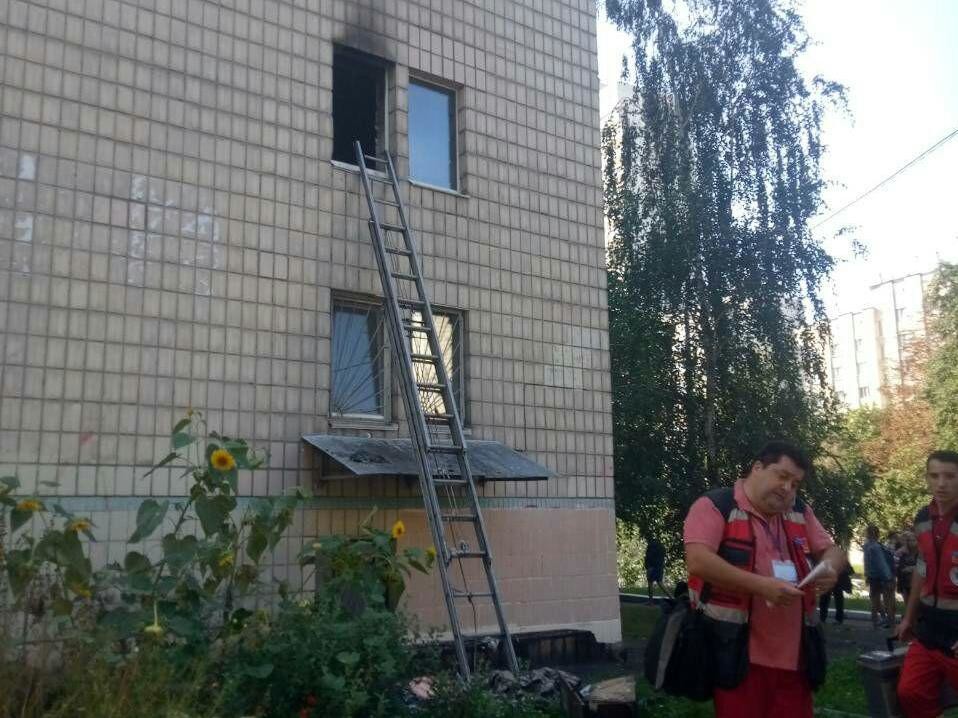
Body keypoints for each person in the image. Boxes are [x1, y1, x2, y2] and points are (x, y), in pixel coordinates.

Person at [684, 440, 847, 718]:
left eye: (795, 484)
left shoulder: (799, 511)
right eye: (782, 476)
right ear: (757, 468)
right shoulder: (715, 505)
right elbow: (698, 560)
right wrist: (761, 586)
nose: (787, 488)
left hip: (796, 659)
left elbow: (833, 551)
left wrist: (830, 568)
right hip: (737, 655)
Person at [897, 450, 958, 718]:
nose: (941, 483)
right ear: (927, 478)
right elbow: (922, 570)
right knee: (910, 692)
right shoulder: (922, 518)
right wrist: (908, 618)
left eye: (950, 476)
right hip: (929, 629)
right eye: (934, 476)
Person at [864, 524, 895, 628]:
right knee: (886, 600)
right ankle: (888, 621)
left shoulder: (867, 546)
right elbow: (882, 564)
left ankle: (877, 621)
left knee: (874, 600)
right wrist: (888, 577)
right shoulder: (877, 547)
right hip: (881, 577)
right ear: (878, 534)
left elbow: (866, 563)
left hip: (872, 576)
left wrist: (867, 575)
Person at [897, 530, 919, 605]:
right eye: (909, 540)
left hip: (916, 582)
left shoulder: (921, 553)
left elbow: (923, 566)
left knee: (916, 604)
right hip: (904, 582)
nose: (911, 542)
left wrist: (911, 568)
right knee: (907, 603)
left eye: (913, 540)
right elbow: (900, 567)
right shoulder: (903, 552)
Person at [644, 537, 667, 602]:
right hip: (659, 567)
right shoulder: (661, 547)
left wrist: (648, 567)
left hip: (652, 567)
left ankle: (651, 601)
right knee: (660, 583)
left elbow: (649, 557)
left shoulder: (651, 546)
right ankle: (672, 598)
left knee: (650, 583)